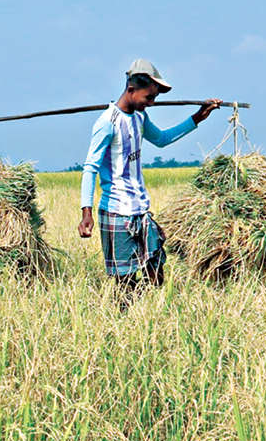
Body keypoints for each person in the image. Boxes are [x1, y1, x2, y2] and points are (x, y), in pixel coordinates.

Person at [78, 59, 221, 305]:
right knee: (125, 282)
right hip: (116, 212)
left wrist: (198, 117)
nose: (152, 103)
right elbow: (90, 168)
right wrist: (86, 213)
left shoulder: (140, 118)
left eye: (154, 98)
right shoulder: (107, 123)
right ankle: (125, 319)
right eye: (149, 97)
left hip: (141, 210)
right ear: (131, 89)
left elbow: (162, 139)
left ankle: (147, 313)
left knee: (156, 273)